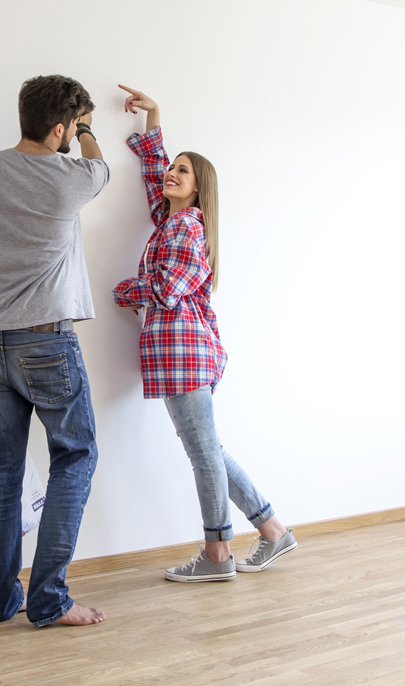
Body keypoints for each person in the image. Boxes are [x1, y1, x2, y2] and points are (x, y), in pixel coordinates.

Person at [0, 75, 109, 625]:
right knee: (76, 456)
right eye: (72, 126)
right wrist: (86, 132)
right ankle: (49, 599)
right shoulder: (72, 177)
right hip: (47, 342)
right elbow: (101, 165)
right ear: (61, 128)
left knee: (2, 469)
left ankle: (2, 600)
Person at [112, 85, 297, 582]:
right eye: (173, 168)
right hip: (177, 354)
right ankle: (274, 531)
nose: (172, 174)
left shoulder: (188, 229)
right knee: (208, 448)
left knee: (202, 452)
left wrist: (125, 290)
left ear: (198, 189)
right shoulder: (167, 222)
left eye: (183, 171)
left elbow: (167, 288)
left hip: (187, 352)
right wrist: (154, 119)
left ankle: (218, 554)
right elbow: (155, 178)